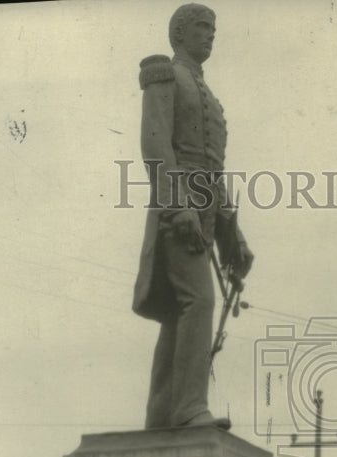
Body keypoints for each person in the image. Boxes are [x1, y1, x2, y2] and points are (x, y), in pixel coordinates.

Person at [133, 4, 253, 430]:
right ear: (179, 32)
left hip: (201, 218)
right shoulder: (163, 74)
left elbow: (211, 171)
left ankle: (162, 417)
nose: (210, 35)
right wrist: (178, 205)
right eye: (203, 27)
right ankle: (188, 409)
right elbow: (155, 145)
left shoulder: (209, 96)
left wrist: (231, 236)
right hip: (177, 213)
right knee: (198, 301)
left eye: (214, 29)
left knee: (178, 311)